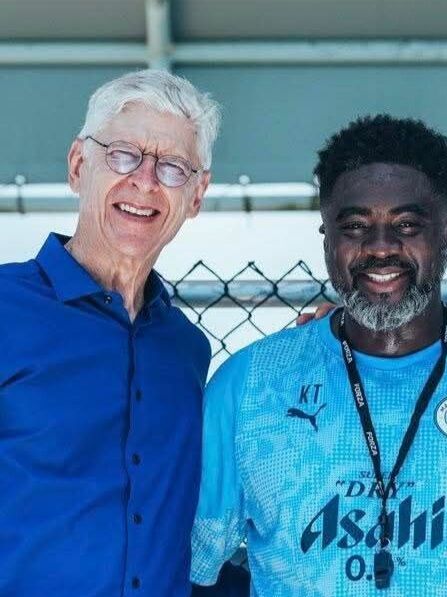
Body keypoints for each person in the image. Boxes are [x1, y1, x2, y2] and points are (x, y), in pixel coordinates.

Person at [190, 114, 447, 596]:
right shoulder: (249, 387)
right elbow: (193, 570)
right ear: (327, 238)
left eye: (407, 224)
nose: (381, 247)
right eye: (355, 226)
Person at [0, 69, 220, 596]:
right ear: (79, 165)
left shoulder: (188, 350)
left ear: (196, 195)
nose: (145, 181)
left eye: (173, 167)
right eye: (123, 155)